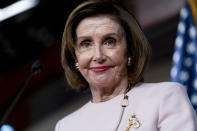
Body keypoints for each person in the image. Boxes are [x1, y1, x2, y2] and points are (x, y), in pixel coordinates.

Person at [55, 0, 197, 131]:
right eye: (86, 44)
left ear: (129, 49)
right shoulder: (65, 126)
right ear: (75, 57)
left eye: (109, 41)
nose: (98, 55)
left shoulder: (165, 97)